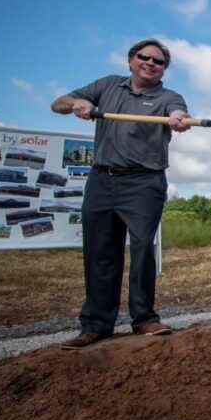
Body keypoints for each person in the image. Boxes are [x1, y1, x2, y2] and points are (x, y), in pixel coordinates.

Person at [50, 39, 190, 349]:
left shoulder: (168, 96)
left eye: (159, 61)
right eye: (144, 57)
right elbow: (57, 104)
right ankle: (97, 324)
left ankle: (144, 320)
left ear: (164, 69)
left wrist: (178, 119)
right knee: (101, 252)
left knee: (142, 249)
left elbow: (178, 112)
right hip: (102, 180)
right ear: (131, 60)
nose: (150, 63)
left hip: (144, 183)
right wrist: (77, 104)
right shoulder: (107, 85)